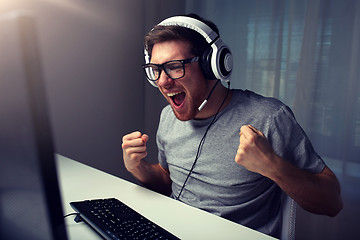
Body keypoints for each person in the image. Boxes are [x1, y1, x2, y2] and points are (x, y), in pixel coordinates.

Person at [121, 14, 343, 238]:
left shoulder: (269, 117)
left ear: (213, 65)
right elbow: (170, 183)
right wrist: (138, 167)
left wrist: (272, 166)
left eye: (174, 67)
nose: (162, 81)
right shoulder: (168, 117)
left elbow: (332, 202)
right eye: (155, 69)